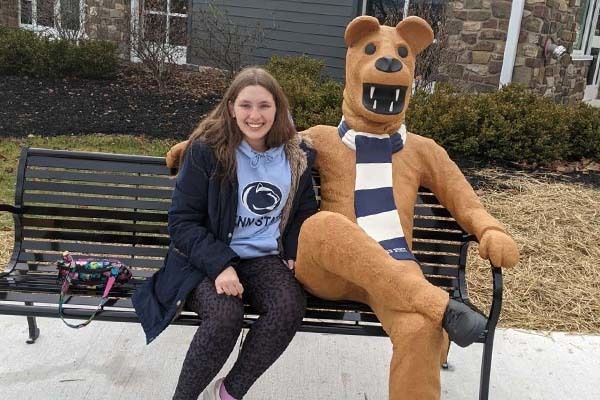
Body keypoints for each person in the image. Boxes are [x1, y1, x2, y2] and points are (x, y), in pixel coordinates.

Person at [132, 67, 318, 400]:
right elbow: (181, 222)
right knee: (225, 317)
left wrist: (293, 250)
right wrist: (220, 265)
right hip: (203, 259)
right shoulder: (208, 151)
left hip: (263, 258)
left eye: (264, 105)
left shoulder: (296, 157)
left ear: (278, 109)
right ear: (231, 106)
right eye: (246, 105)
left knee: (289, 305)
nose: (255, 115)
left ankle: (228, 393)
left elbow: (304, 211)